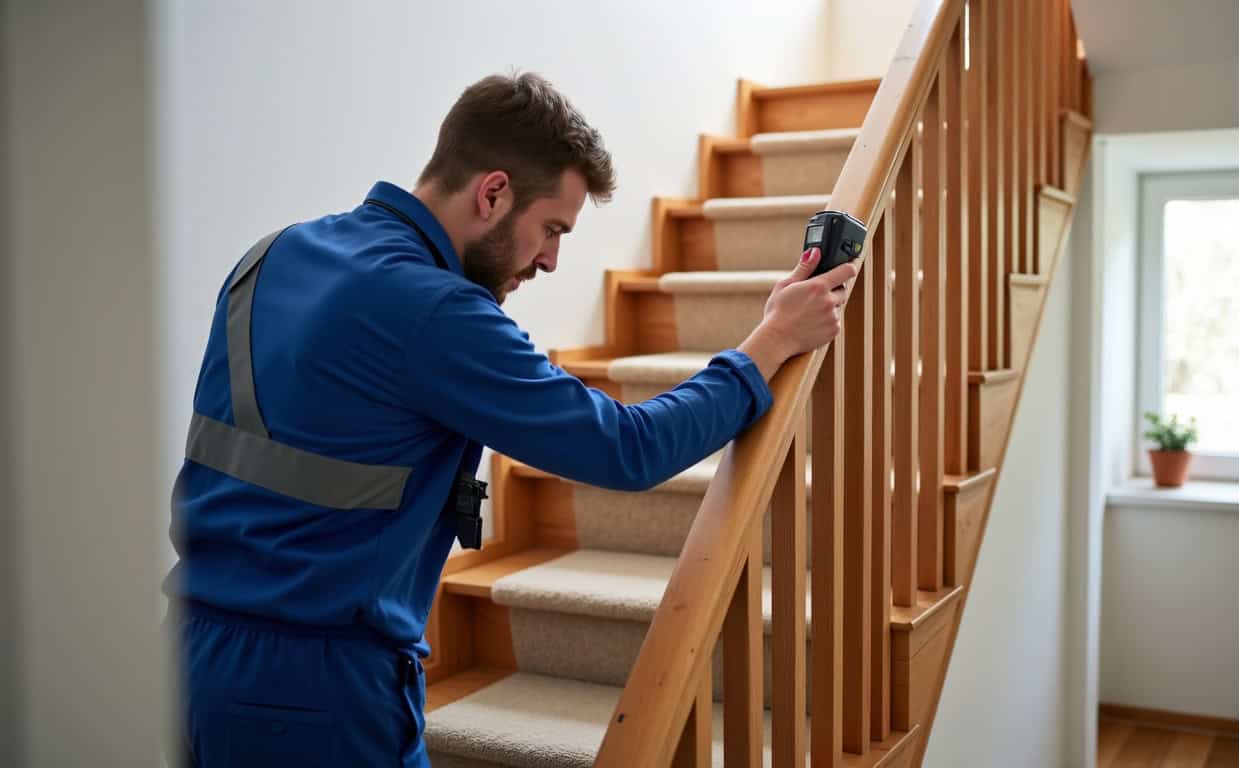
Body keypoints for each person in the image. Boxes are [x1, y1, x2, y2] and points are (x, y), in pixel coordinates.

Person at [165, 71, 857, 766]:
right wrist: (770, 341)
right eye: (551, 228)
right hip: (317, 692)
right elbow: (627, 448)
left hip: (189, 659)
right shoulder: (433, 311)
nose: (552, 259)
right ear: (493, 192)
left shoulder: (270, 255)